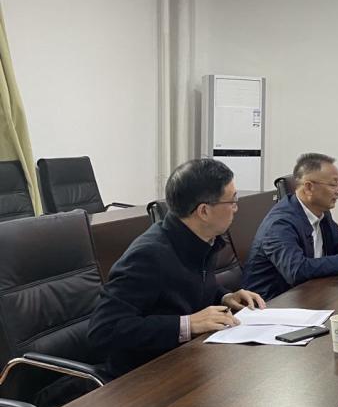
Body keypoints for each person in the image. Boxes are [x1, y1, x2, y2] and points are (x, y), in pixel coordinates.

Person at [87, 158, 265, 378]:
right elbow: (103, 330)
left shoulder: (201, 240)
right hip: (145, 376)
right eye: (232, 201)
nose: (236, 208)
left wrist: (224, 297)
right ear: (204, 211)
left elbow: (186, 288)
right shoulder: (149, 255)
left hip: (188, 361)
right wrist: (187, 324)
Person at [243, 153, 338, 301]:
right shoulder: (279, 224)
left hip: (306, 296)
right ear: (309, 187)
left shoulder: (321, 213)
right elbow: (296, 270)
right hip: (270, 303)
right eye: (333, 185)